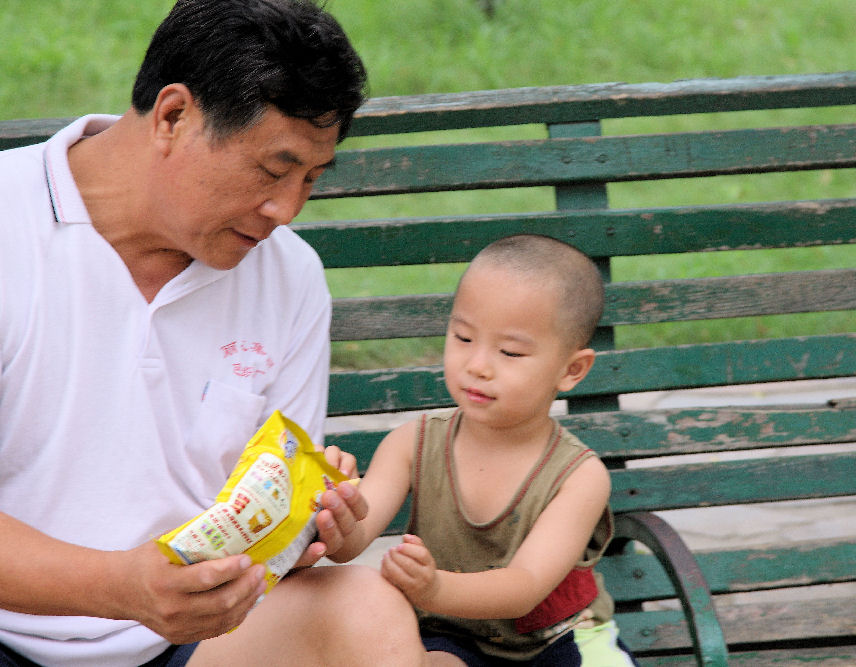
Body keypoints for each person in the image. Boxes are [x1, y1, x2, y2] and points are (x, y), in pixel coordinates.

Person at [0, 1, 430, 665]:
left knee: (361, 608)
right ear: (174, 116)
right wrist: (119, 587)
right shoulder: (10, 224)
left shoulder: (289, 277)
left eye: (311, 179)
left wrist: (316, 523)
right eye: (272, 169)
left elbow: (270, 519)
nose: (286, 211)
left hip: (189, 639)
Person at [327, 235, 638, 665]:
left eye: (509, 351)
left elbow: (524, 587)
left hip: (562, 641)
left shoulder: (579, 476)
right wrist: (334, 508)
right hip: (453, 637)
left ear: (571, 370)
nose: (478, 366)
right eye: (463, 338)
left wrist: (435, 589)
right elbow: (352, 542)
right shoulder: (410, 444)